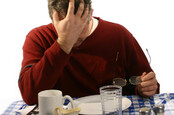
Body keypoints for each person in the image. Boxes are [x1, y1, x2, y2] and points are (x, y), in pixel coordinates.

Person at [18, 0, 159, 105]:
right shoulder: (38, 38)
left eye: (81, 25)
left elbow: (148, 84)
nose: (75, 35)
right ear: (54, 19)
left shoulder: (118, 34)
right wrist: (63, 44)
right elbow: (30, 96)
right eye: (66, 27)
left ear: (91, 14)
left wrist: (147, 87)